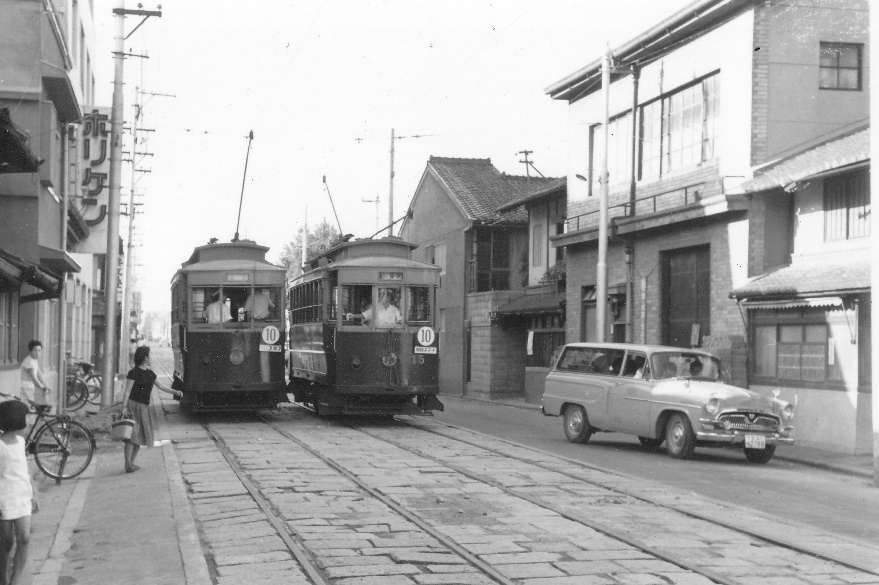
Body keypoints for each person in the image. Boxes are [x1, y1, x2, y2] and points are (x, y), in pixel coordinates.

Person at [120, 346, 182, 473]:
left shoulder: (150, 374)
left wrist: (175, 391)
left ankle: (131, 463)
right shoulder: (133, 373)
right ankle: (128, 464)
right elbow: (127, 392)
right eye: (149, 356)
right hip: (133, 406)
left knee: (138, 437)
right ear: (144, 358)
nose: (150, 358)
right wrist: (124, 407)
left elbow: (162, 387)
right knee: (132, 437)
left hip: (143, 408)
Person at [0, 399, 39, 585]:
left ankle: (14, 582)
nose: (28, 422)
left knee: (24, 538)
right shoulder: (0, 446)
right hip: (4, 498)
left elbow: (26, 469)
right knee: (5, 543)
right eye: (26, 417)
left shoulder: (21, 442)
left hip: (22, 495)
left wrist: (34, 493)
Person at [19, 341, 48, 406]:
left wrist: (45, 385)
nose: (37, 353)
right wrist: (42, 388)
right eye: (35, 350)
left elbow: (38, 372)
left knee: (32, 407)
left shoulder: (34, 360)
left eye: (39, 350)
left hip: (30, 387)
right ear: (30, 350)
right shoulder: (29, 361)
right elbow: (33, 378)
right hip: (25, 388)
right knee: (27, 407)